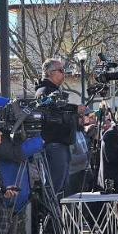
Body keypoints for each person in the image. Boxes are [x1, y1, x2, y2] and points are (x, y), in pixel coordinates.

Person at [34, 57, 80, 196]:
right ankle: (48, 209)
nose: (63, 73)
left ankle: (57, 208)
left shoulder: (53, 90)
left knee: (62, 185)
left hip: (62, 144)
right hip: (54, 145)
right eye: (61, 70)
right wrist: (74, 109)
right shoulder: (44, 91)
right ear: (50, 72)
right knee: (55, 184)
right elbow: (51, 111)